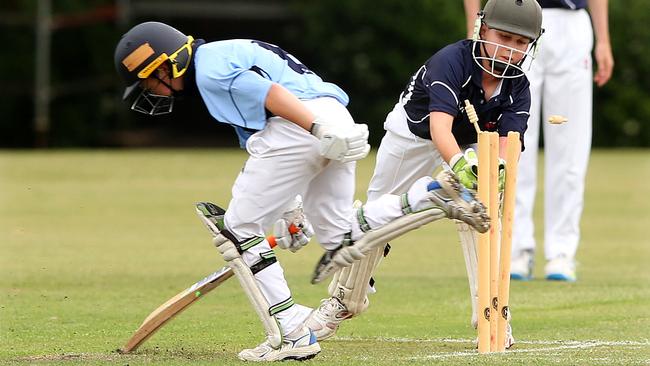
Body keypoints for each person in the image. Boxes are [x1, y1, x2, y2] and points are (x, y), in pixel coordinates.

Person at [114, 22, 490, 361]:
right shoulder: (222, 54)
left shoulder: (210, 72)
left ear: (166, 64)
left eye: (148, 79)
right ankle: (430, 195)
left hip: (304, 124)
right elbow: (257, 139)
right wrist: (291, 210)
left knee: (237, 227)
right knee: (338, 233)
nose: (150, 89)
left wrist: (316, 131)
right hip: (332, 118)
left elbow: (270, 94)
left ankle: (292, 331)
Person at [304, 0, 543, 348]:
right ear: (483, 29)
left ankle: (490, 314)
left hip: (471, 141)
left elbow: (509, 141)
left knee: (480, 210)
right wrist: (462, 167)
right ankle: (345, 301)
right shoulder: (452, 61)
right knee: (379, 217)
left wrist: (498, 172)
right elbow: (439, 130)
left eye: (521, 43)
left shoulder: (518, 85)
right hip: (414, 134)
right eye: (504, 37)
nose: (510, 49)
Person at [466, 0, 614, 282]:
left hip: (571, 25)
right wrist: (476, 29)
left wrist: (603, 39)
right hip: (513, 24)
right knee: (513, 139)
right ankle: (516, 246)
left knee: (570, 145)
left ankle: (562, 251)